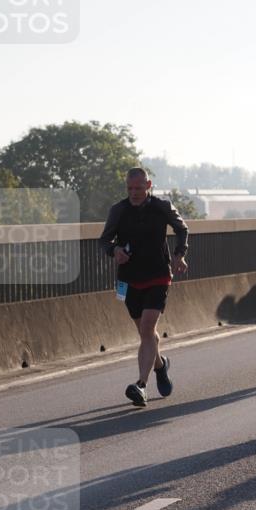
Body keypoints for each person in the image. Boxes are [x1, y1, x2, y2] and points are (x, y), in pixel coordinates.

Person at [99, 167, 189, 407]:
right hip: (128, 279)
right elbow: (104, 240)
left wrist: (180, 255)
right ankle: (160, 365)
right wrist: (114, 250)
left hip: (158, 274)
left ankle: (141, 385)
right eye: (130, 188)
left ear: (149, 186)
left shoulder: (162, 206)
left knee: (148, 327)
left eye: (139, 188)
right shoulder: (118, 210)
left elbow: (182, 229)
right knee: (145, 334)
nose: (134, 192)